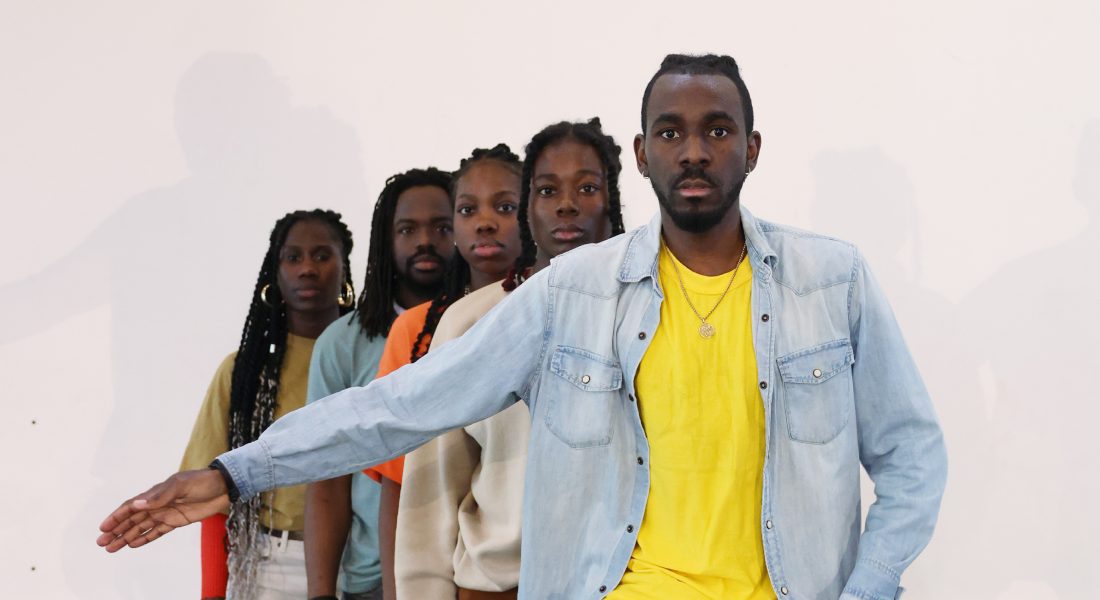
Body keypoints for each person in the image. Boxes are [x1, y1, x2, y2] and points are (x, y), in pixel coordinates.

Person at [100, 54, 947, 600]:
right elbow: (405, 403)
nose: (694, 151)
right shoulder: (572, 296)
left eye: (716, 131)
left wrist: (866, 589)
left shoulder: (832, 282)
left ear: (752, 149)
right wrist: (239, 472)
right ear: (644, 154)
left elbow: (913, 457)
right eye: (672, 133)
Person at [395, 117, 625, 600]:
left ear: (612, 202)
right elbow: (430, 493)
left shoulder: (649, 318)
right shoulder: (468, 324)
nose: (566, 204)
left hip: (619, 584)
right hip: (494, 588)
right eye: (546, 190)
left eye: (587, 187)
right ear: (528, 208)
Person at [364, 144, 523, 600]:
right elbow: (406, 484)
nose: (486, 221)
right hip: (472, 577)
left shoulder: (561, 312)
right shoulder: (425, 329)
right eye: (468, 209)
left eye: (506, 207)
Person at [177, 209, 355, 600]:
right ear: (274, 274)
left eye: (322, 256)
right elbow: (210, 497)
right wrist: (212, 594)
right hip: (266, 564)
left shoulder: (366, 356)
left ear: (345, 270)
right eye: (293, 258)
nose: (307, 268)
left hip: (357, 561)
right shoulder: (243, 372)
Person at [304, 168, 455, 600]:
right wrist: (319, 592)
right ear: (385, 241)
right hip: (370, 577)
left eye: (441, 227)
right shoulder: (342, 343)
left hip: (467, 569)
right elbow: (328, 477)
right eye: (408, 229)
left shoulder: (483, 322)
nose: (425, 240)